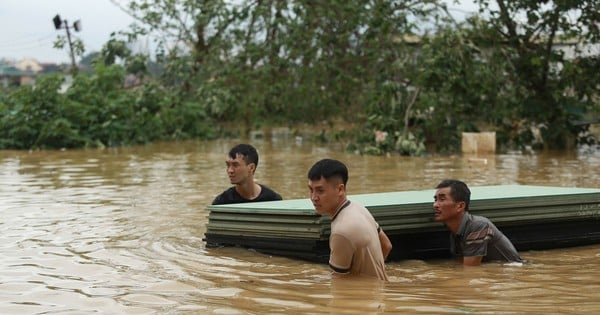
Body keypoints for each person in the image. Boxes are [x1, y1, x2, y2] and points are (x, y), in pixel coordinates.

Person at [307, 158, 392, 280]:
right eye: (311, 190)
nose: (314, 197)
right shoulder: (358, 208)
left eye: (320, 191)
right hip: (377, 293)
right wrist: (373, 274)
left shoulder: (341, 232)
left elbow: (338, 283)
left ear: (340, 189)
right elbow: (386, 245)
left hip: (363, 297)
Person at [433, 179, 522, 266]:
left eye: (442, 199)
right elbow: (461, 266)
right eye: (435, 200)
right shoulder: (455, 233)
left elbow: (470, 271)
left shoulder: (478, 226)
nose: (435, 205)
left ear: (460, 206)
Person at [212, 144, 282, 205]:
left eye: (235, 165)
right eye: (228, 165)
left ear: (251, 168)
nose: (230, 170)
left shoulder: (273, 200)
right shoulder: (221, 202)